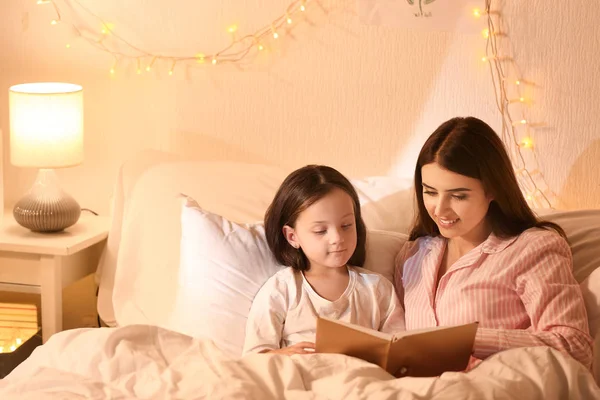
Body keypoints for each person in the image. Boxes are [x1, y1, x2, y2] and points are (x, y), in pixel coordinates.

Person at [395, 116, 593, 369]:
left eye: (458, 195)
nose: (440, 209)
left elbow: (574, 347)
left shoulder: (533, 248)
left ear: (493, 190)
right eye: (430, 192)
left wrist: (468, 339)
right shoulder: (412, 255)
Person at [243, 165, 405, 355]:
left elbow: (399, 352)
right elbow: (253, 357)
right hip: (301, 378)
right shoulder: (283, 289)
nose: (337, 238)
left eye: (346, 225)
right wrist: (284, 355)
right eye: (320, 231)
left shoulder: (377, 289)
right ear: (292, 237)